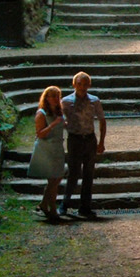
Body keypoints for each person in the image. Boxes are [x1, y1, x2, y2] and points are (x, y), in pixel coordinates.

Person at [60, 72, 105, 218]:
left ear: (89, 85)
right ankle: (64, 204)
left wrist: (101, 142)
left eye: (85, 84)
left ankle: (85, 207)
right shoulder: (66, 101)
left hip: (90, 139)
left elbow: (102, 120)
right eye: (79, 83)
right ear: (74, 84)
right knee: (73, 173)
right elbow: (58, 119)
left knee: (88, 174)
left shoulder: (94, 100)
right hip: (74, 139)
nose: (82, 87)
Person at [29, 87, 67, 222]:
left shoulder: (58, 111)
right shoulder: (42, 113)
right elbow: (39, 133)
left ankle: (45, 204)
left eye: (57, 96)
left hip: (57, 147)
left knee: (56, 178)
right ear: (46, 98)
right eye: (52, 96)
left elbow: (61, 125)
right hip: (46, 148)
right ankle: (52, 208)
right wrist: (53, 125)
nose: (56, 99)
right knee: (53, 178)